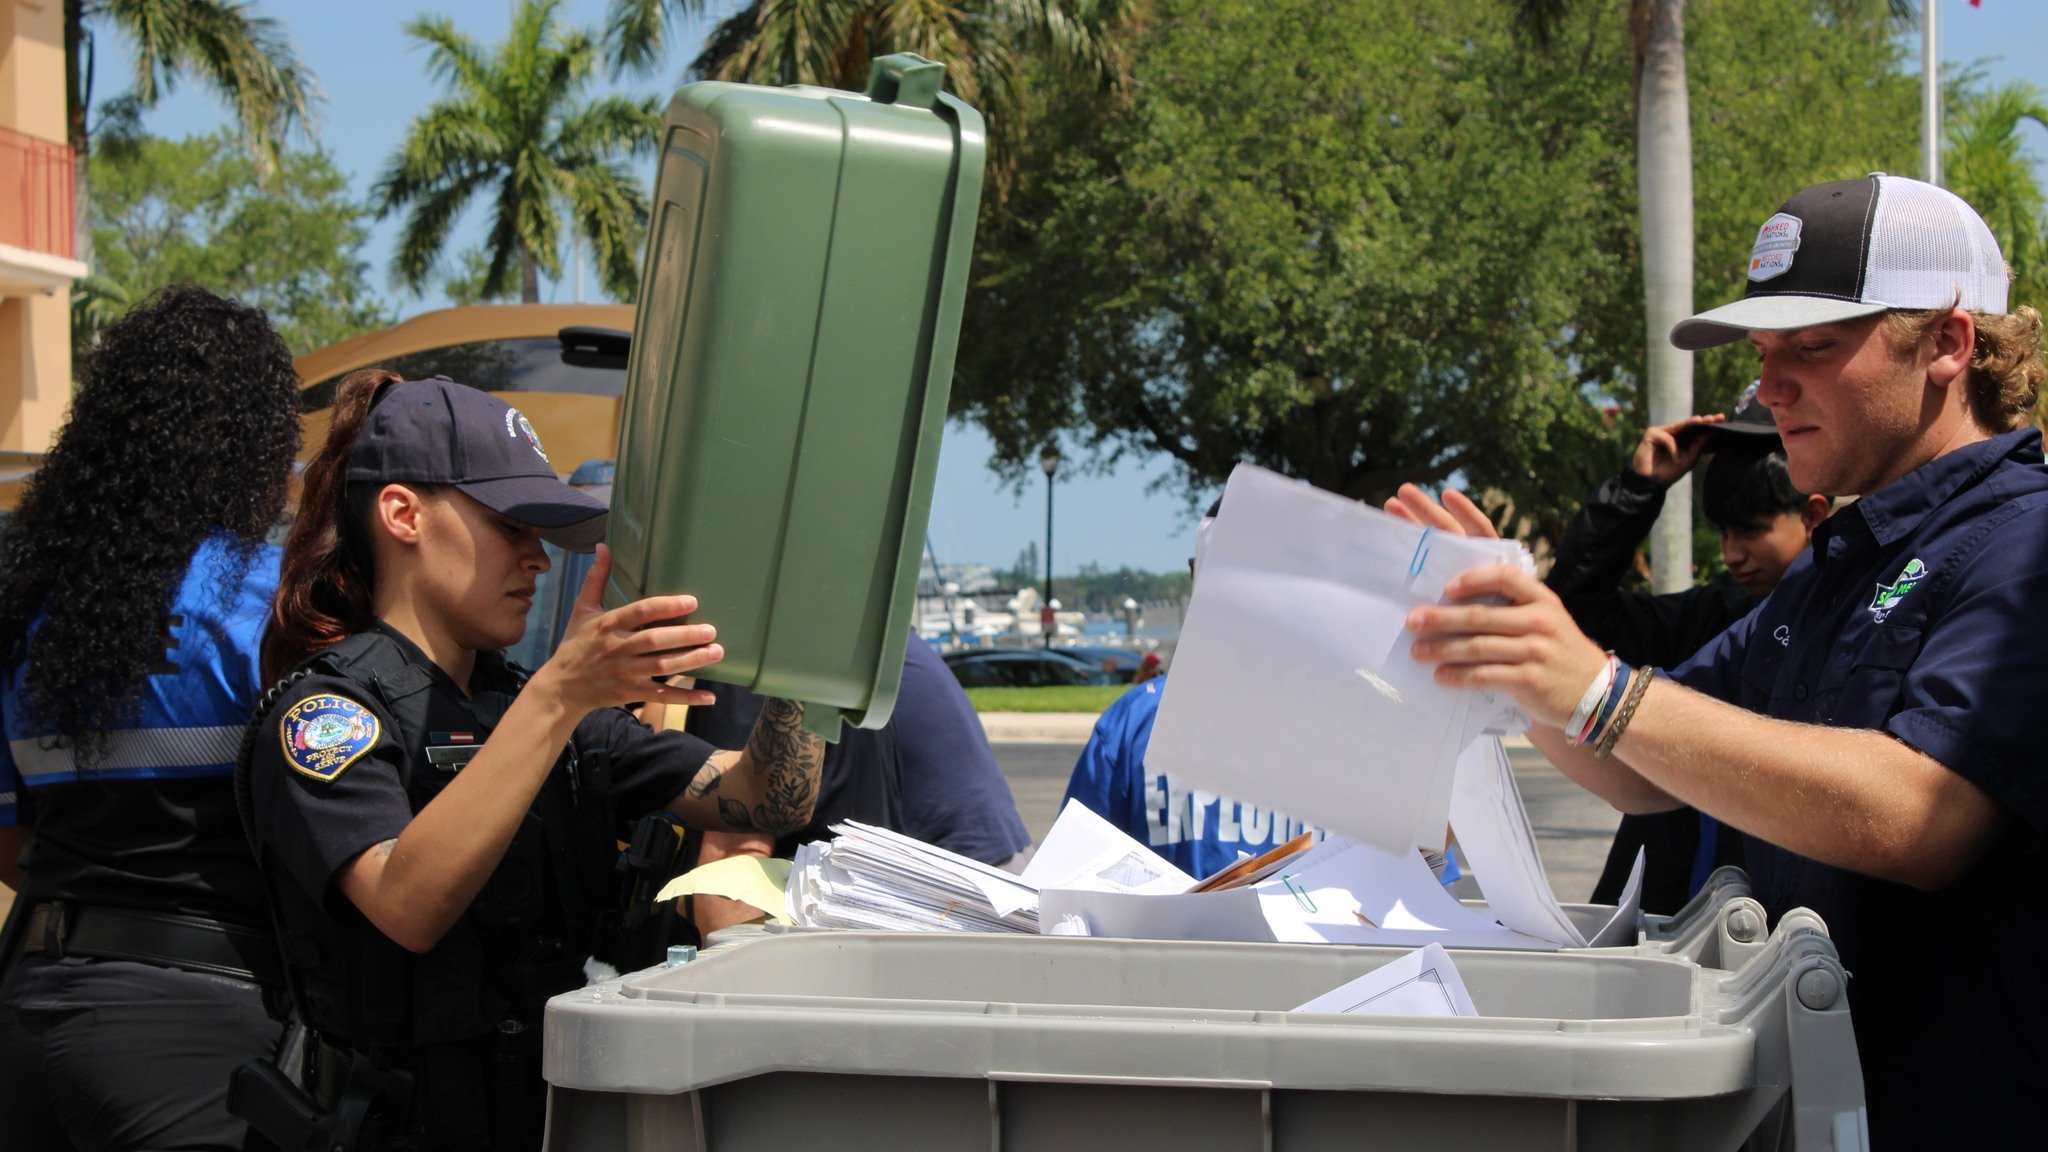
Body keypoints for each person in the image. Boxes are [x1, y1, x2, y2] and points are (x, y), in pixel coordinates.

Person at [1392, 174, 2047, 1146]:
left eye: (1812, 348)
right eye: (1760, 353)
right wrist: (1505, 659)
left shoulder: (2021, 543)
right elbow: (1641, 773)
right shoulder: (1839, 566)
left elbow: (1918, 814)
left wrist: (1597, 690)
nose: (1767, 387)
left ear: (1948, 344)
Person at [243, 371, 827, 1150]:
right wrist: (560, 694)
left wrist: (806, 653)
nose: (540, 560)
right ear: (403, 515)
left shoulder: (539, 707)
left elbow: (764, 800)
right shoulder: (326, 715)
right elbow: (406, 905)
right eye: (509, 525)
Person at [0, 286, 303, 1151]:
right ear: (257, 441)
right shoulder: (274, 601)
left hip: (31, 1004)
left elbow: (8, 845)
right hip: (199, 1029)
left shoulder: (27, 608)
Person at [1552, 393, 1831, 913]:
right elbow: (1577, 611)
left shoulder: (1857, 617)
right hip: (1666, 901)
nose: (1732, 553)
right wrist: (1638, 490)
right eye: (1724, 533)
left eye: (1751, 530)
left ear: (1813, 515)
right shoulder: (1711, 615)